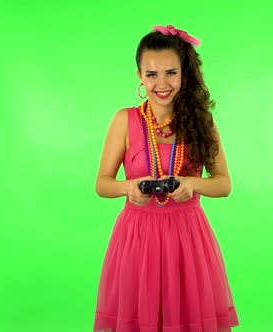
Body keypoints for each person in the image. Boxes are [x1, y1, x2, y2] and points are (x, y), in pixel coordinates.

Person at [93, 25, 239, 332]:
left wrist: (192, 184)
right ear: (139, 76)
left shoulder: (201, 121)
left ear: (184, 74)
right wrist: (127, 188)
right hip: (137, 239)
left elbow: (223, 183)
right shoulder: (125, 119)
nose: (162, 83)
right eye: (151, 74)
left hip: (188, 238)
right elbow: (102, 183)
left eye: (171, 72)